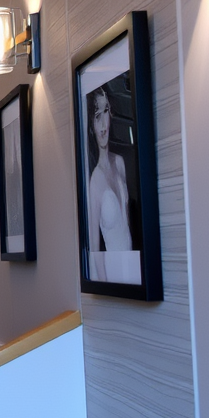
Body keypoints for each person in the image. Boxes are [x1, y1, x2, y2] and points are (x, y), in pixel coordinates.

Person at [86, 85, 138, 283]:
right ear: (91, 124)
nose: (103, 125)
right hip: (113, 274)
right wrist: (105, 285)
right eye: (97, 116)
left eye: (106, 111)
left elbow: (127, 226)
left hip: (133, 266)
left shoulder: (120, 163)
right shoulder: (95, 182)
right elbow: (94, 248)